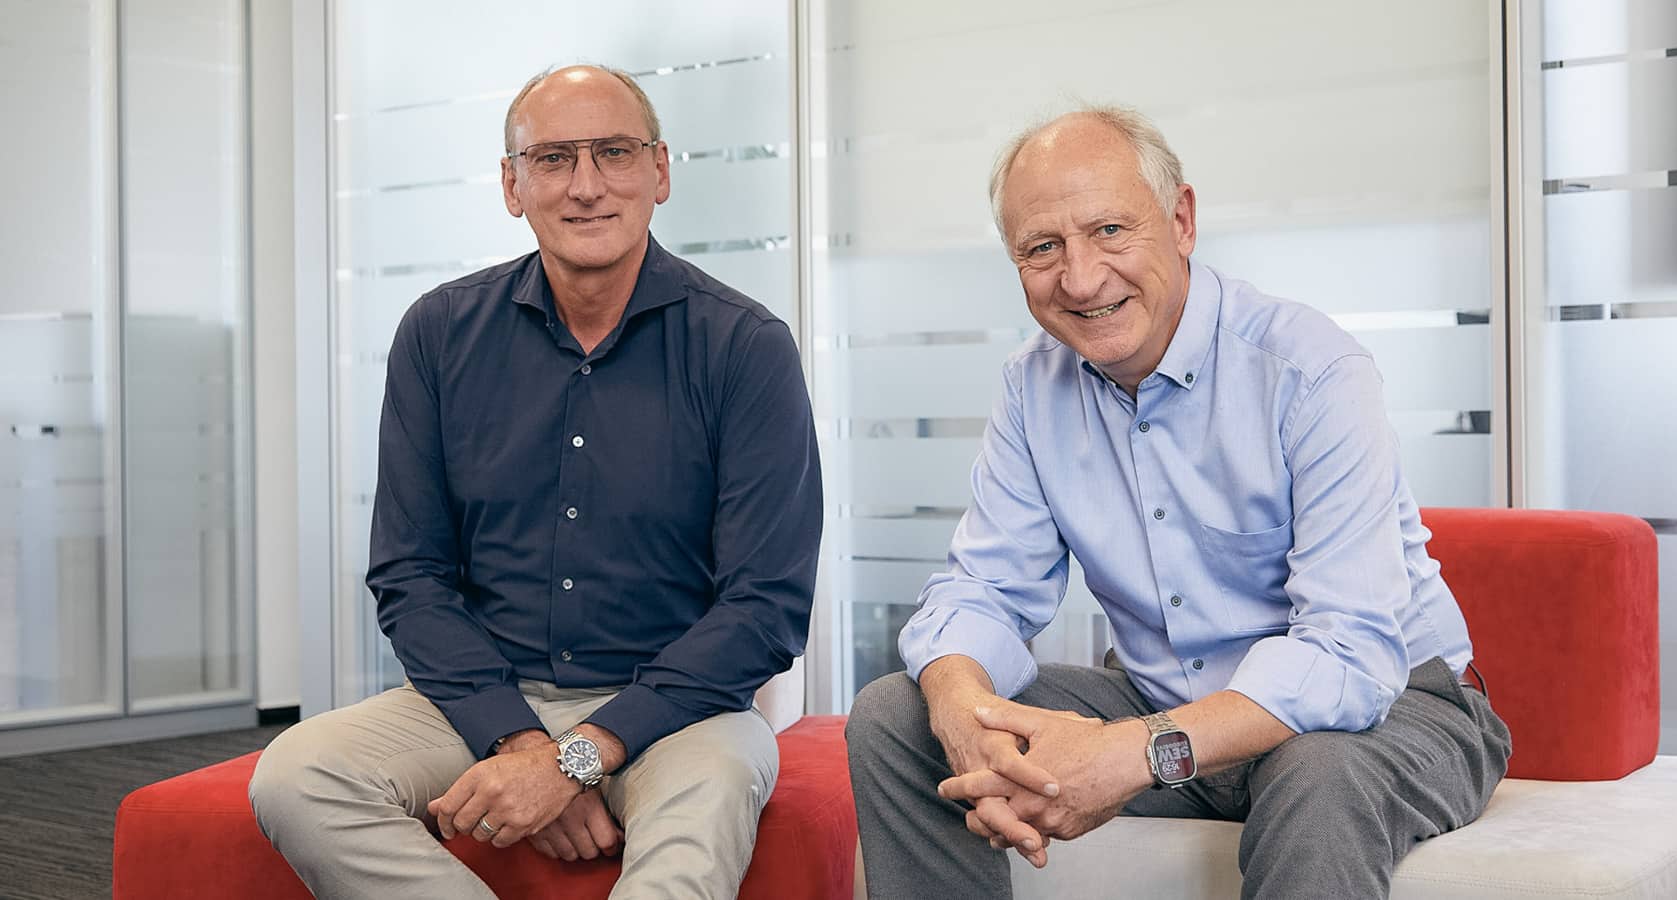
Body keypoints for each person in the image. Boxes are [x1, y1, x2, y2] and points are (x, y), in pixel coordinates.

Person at [845, 105, 1510, 900]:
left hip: (1390, 710)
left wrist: (1131, 754)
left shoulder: (1313, 371)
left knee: (1319, 772)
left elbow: (1349, 657)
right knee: (897, 714)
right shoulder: (1032, 386)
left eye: (1109, 230)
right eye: (1043, 248)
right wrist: (960, 707)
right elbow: (984, 589)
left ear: (1182, 220)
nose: (1081, 278)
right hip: (1163, 703)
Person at [249, 64, 822, 900]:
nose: (586, 186)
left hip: (677, 714)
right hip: (479, 701)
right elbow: (410, 576)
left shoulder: (745, 346)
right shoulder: (439, 333)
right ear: (513, 185)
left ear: (659, 171)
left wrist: (577, 758)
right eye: (553, 159)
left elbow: (764, 606)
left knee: (709, 804)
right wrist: (519, 746)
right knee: (296, 776)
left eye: (614, 152)